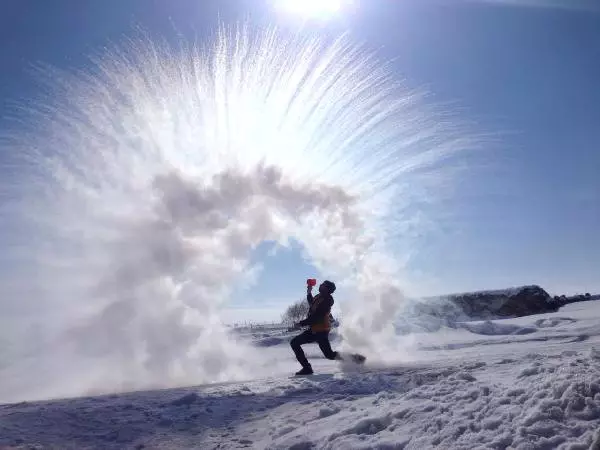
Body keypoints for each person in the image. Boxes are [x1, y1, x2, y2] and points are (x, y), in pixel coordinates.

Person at [290, 279, 340, 375]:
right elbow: (312, 303)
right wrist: (309, 292)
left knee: (329, 354)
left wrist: (301, 323)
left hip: (321, 330)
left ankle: (355, 358)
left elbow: (317, 317)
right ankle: (307, 368)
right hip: (315, 329)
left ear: (327, 289)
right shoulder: (319, 296)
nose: (320, 285)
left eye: (323, 285)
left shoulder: (327, 301)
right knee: (329, 354)